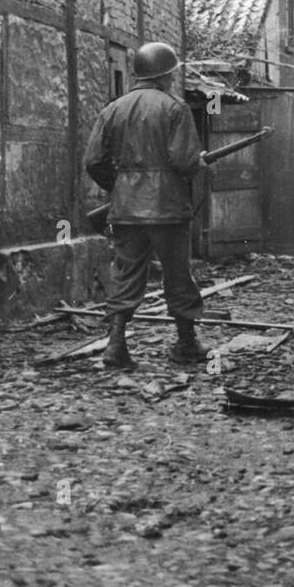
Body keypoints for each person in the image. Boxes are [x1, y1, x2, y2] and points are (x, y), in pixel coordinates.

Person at [84, 41, 212, 370]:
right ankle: (185, 344)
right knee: (178, 275)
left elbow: (94, 161)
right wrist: (198, 163)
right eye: (172, 74)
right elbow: (183, 162)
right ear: (166, 75)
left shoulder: (113, 109)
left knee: (125, 274)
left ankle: (115, 346)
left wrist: (123, 185)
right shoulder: (175, 108)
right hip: (168, 209)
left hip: (126, 210)